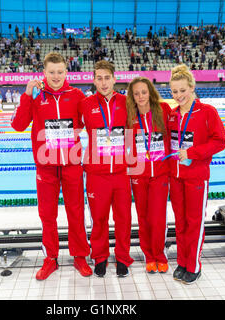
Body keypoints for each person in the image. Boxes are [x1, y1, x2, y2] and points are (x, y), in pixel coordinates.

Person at [11, 52, 92, 280]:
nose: (56, 76)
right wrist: (27, 96)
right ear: (44, 73)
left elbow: (91, 124)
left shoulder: (76, 95)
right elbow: (18, 125)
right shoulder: (35, 96)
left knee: (76, 212)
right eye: (51, 72)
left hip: (72, 164)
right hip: (45, 166)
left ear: (66, 72)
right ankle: (50, 258)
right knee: (47, 214)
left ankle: (80, 256)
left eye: (60, 72)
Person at [168, 64, 225, 284]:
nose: (179, 95)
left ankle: (193, 265)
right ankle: (182, 262)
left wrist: (192, 152)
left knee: (194, 222)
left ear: (192, 87)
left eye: (182, 90)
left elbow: (221, 141)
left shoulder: (207, 112)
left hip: (196, 176)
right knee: (181, 222)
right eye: (174, 92)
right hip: (175, 177)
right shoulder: (173, 115)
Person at [79, 60, 134, 278]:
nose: (103, 82)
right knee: (99, 219)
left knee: (123, 219)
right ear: (94, 80)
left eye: (107, 78)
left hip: (121, 172)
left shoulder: (126, 101)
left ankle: (122, 258)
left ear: (114, 78)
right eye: (99, 78)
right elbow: (70, 128)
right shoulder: (86, 103)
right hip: (96, 173)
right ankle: (100, 257)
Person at [126, 77, 171, 274]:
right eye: (136, 93)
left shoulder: (163, 111)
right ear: (132, 97)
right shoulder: (130, 117)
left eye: (144, 92)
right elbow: (127, 145)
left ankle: (160, 254)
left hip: (160, 173)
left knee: (158, 217)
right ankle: (149, 255)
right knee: (143, 216)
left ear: (150, 92)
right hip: (139, 174)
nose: (141, 96)